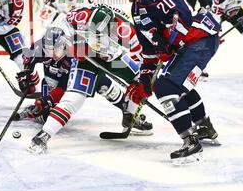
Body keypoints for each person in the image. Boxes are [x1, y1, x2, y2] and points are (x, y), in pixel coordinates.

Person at [116, 0, 221, 164]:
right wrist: (146, 76)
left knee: (166, 86)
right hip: (197, 43)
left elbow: (182, 15)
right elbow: (149, 49)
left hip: (198, 39)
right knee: (174, 84)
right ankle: (203, 126)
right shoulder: (137, 10)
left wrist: (168, 40)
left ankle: (190, 142)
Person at [27, 5, 154, 154]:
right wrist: (73, 44)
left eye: (100, 35)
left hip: (114, 57)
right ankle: (44, 135)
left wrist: (142, 82)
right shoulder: (80, 16)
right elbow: (62, 27)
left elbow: (144, 60)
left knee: (142, 80)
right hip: (86, 57)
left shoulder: (127, 32)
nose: (96, 37)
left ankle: (130, 117)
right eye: (94, 32)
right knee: (74, 97)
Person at [15, 27, 151, 137]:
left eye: (57, 49)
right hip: (51, 81)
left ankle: (131, 116)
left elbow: (66, 86)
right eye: (49, 50)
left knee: (105, 86)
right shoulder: (38, 48)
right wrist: (26, 77)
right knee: (45, 116)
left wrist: (50, 99)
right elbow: (27, 61)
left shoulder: (72, 52)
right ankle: (34, 109)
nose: (54, 54)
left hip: (68, 80)